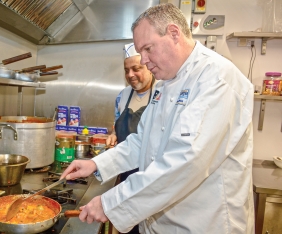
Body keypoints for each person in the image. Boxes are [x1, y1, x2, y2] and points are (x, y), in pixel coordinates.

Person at [61, 3, 254, 234]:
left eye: (148, 49)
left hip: (203, 224)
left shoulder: (217, 79)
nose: (143, 60)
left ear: (174, 33)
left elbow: (185, 162)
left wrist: (111, 203)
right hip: (160, 223)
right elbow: (141, 141)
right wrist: (96, 163)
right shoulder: (164, 84)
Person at [106, 43, 158, 234]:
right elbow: (117, 125)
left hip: (151, 175)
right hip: (125, 172)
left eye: (136, 69)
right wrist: (113, 136)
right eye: (127, 70)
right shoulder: (122, 96)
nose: (130, 75)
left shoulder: (161, 94)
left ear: (149, 67)